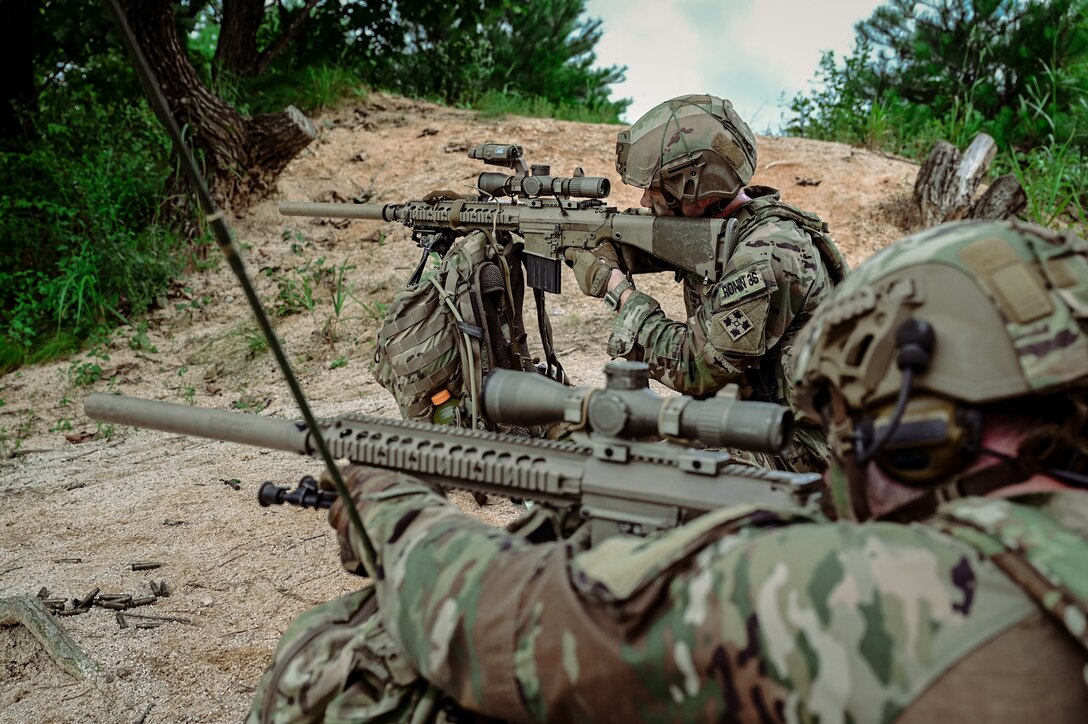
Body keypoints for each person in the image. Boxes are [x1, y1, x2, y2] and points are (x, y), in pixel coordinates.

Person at [247, 223, 1088, 723]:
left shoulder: (878, 596)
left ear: (920, 436)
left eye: (854, 430)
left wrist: (394, 508)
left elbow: (495, 629)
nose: (844, 464)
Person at [564, 94, 847, 473]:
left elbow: (693, 369)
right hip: (748, 418)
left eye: (658, 187)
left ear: (694, 184)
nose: (646, 199)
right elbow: (643, 238)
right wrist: (595, 239)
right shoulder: (733, 228)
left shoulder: (767, 255)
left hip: (807, 447)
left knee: (658, 473)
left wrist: (619, 291)